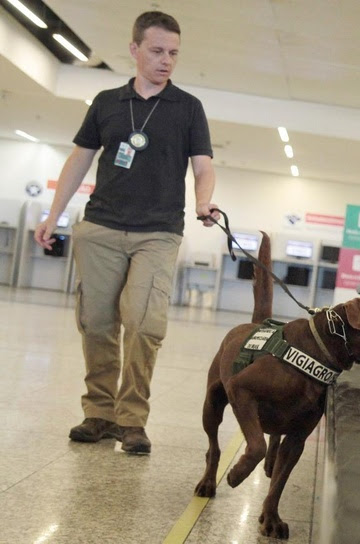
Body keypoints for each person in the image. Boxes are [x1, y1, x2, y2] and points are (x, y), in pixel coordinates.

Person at [34, 11, 219, 455]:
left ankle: (131, 419)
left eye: (173, 53)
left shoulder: (188, 108)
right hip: (99, 227)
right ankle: (98, 413)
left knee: (143, 323)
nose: (166, 60)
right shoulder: (106, 102)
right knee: (96, 322)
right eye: (156, 51)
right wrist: (53, 215)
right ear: (134, 49)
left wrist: (203, 201)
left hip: (158, 232)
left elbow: (203, 164)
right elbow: (78, 160)